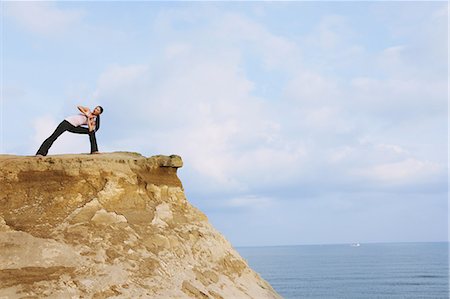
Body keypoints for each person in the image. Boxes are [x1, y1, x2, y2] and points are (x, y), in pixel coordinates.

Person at [35, 105, 104, 156]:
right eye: (95, 108)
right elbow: (79, 106)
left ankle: (94, 150)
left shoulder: (93, 120)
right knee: (54, 136)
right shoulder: (88, 110)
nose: (95, 110)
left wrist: (89, 119)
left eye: (97, 110)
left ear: (99, 113)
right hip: (66, 123)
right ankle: (40, 153)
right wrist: (86, 114)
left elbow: (90, 129)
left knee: (91, 132)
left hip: (74, 127)